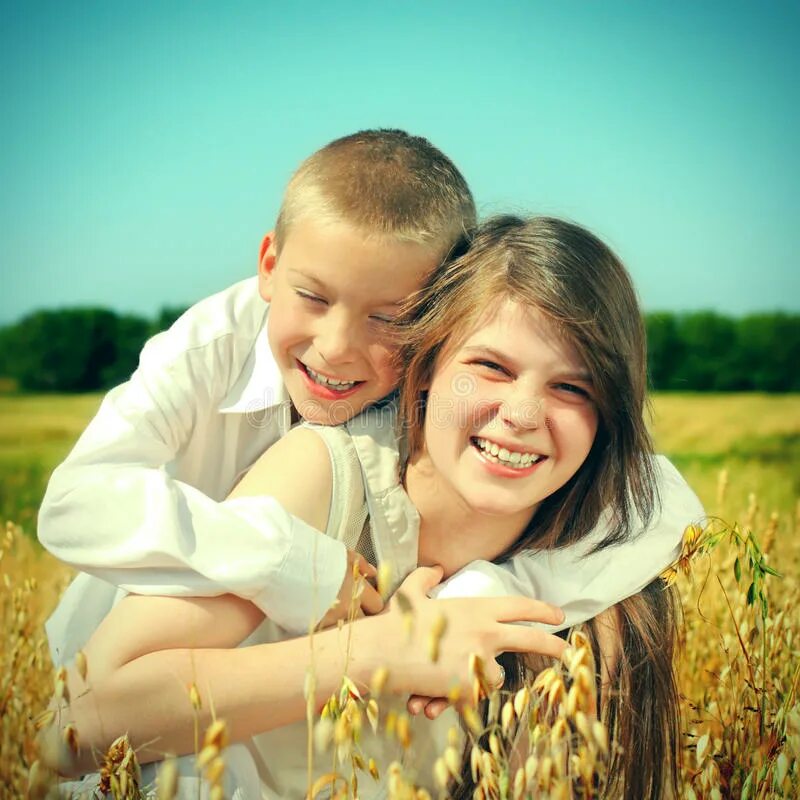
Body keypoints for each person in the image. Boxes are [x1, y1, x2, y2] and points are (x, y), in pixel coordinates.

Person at [46, 216, 701, 799]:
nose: (523, 415)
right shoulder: (328, 478)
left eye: (570, 388)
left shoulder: (604, 577)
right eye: (492, 367)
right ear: (426, 368)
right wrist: (378, 652)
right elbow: (73, 732)